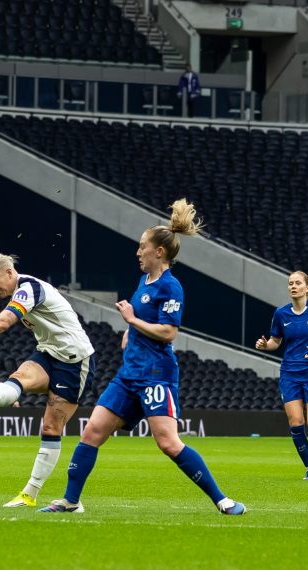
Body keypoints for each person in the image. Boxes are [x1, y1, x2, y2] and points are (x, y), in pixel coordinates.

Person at [39, 199, 245, 516]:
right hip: (129, 375)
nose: (138, 252)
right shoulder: (143, 280)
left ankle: (223, 501)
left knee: (168, 443)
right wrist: (130, 332)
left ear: (159, 252)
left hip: (156, 376)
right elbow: (143, 319)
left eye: (142, 246)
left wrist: (132, 321)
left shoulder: (171, 287)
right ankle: (70, 501)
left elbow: (168, 332)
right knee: (92, 432)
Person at [0, 254, 96, 508]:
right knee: (19, 377)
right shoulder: (22, 291)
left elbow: (3, 323)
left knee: (50, 428)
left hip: (75, 361)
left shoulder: (28, 288)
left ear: (9, 272)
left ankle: (31, 494)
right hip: (49, 353)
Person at [255, 271, 308, 480]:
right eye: (290, 283)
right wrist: (265, 345)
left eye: (297, 283)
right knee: (296, 422)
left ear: (306, 287)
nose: (293, 286)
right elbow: (276, 341)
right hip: (289, 374)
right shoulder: (281, 314)